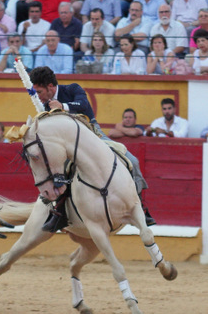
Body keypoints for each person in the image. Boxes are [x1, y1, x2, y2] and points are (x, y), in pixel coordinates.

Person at [28, 66, 154, 230]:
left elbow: (83, 104)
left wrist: (63, 106)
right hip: (69, 146)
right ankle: (60, 213)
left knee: (132, 161)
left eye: (39, 91)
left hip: (93, 133)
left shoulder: (73, 89)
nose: (38, 96)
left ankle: (140, 206)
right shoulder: (45, 107)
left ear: (50, 87)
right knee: (58, 174)